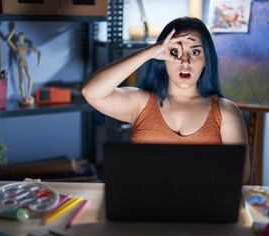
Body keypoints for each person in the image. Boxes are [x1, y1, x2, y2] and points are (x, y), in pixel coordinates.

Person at [81, 17, 250, 182]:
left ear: (206, 59)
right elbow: (91, 92)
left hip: (201, 206)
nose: (185, 61)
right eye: (175, 51)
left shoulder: (226, 111)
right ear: (162, 57)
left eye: (195, 52)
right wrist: (149, 52)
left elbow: (240, 174)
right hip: (145, 206)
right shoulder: (140, 102)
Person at [7, 23, 41, 106]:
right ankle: (23, 96)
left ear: (24, 38)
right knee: (21, 80)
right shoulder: (17, 47)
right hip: (20, 63)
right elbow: (8, 40)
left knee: (30, 79)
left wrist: (39, 61)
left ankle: (28, 95)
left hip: (25, 62)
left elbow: (38, 51)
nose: (21, 39)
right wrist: (13, 31)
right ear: (18, 39)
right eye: (20, 38)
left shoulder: (25, 47)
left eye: (22, 38)